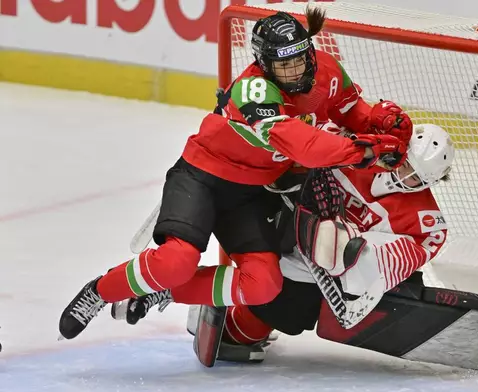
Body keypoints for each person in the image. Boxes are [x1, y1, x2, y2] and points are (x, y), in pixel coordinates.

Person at [58, 6, 412, 340]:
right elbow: (304, 146)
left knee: (264, 284)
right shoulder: (251, 90)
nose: (296, 70)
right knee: (176, 261)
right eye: (283, 65)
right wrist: (364, 150)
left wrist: (381, 120)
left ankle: (166, 290)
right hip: (202, 179)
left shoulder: (328, 72)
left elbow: (353, 111)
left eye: (301, 58)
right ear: (263, 63)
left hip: (252, 193)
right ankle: (100, 290)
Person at [115, 124, 456, 360]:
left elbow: (395, 262)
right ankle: (160, 279)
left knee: (273, 316)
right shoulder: (358, 150)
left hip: (320, 272)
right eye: (403, 165)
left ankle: (212, 310)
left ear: (434, 181)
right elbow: (297, 146)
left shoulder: (427, 223)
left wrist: (354, 250)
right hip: (278, 218)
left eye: (415, 177)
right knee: (256, 266)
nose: (402, 177)